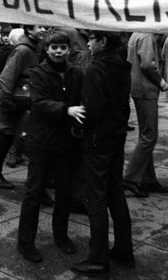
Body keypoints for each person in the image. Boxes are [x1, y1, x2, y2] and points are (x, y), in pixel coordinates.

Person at [70, 30, 135, 278]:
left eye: (92, 39)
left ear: (103, 42)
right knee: (115, 193)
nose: (88, 43)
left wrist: (78, 126)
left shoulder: (96, 69)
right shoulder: (121, 65)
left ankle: (98, 259)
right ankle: (124, 250)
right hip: (116, 135)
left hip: (98, 140)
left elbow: (92, 110)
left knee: (96, 198)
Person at [17, 30, 85, 262]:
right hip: (42, 141)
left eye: (62, 48)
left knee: (64, 192)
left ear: (68, 50)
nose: (58, 51)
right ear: (46, 50)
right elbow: (40, 103)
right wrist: (66, 110)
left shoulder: (76, 73)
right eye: (53, 47)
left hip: (66, 142)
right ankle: (25, 242)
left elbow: (82, 99)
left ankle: (61, 235)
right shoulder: (37, 73)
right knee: (34, 192)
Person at [0, 24, 46, 188]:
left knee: (9, 140)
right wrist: (8, 105)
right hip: (13, 105)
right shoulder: (23, 50)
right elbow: (6, 78)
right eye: (39, 27)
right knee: (5, 140)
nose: (43, 30)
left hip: (19, 104)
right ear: (29, 30)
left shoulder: (31, 48)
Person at [123, 31, 168, 198]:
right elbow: (147, 65)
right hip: (146, 89)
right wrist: (161, 82)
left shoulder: (138, 34)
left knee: (146, 136)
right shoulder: (146, 36)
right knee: (149, 136)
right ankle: (130, 178)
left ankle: (147, 179)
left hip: (139, 88)